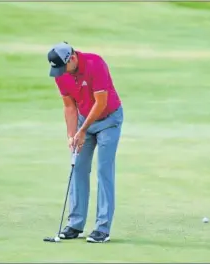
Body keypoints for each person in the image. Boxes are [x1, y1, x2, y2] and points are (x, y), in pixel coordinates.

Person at [47, 42, 123, 242]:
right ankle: (75, 224)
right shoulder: (61, 73)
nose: (61, 72)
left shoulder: (94, 63)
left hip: (108, 120)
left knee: (104, 170)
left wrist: (82, 131)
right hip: (83, 120)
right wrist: (71, 135)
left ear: (72, 58)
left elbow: (101, 103)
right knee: (78, 167)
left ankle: (102, 228)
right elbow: (69, 106)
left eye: (63, 67)